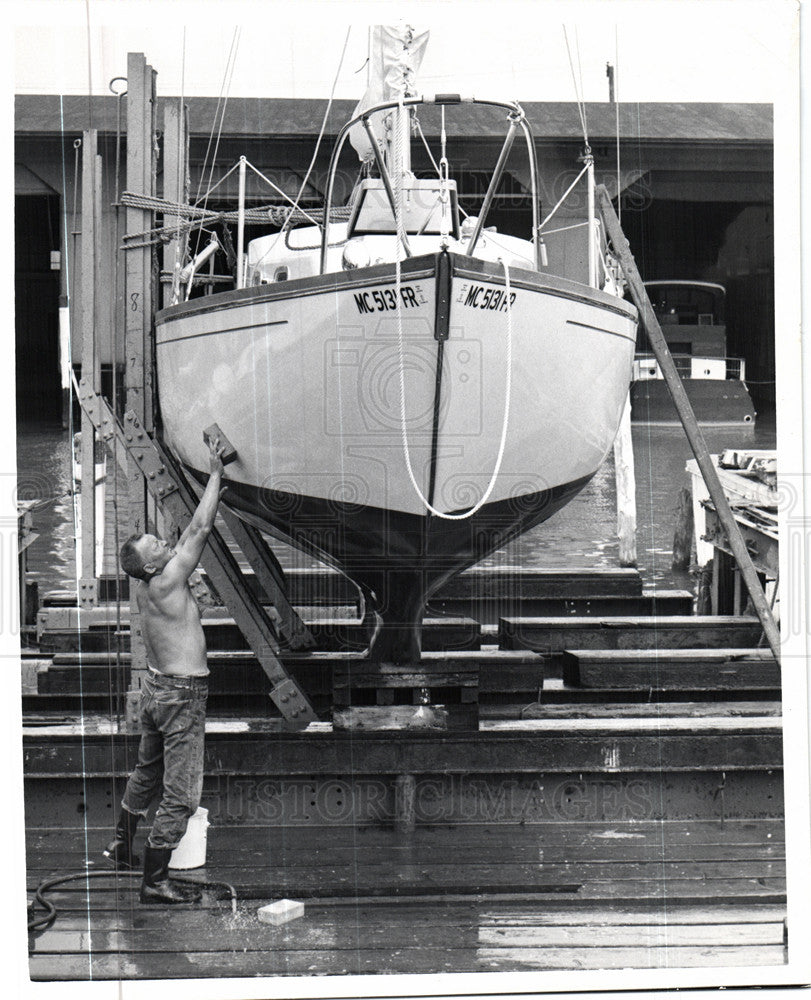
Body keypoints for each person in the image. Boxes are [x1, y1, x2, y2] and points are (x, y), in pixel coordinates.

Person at [102, 434, 226, 904]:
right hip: (180, 695)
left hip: (156, 688)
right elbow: (198, 531)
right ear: (153, 565)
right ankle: (154, 880)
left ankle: (120, 844)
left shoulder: (147, 585)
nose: (163, 540)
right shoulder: (168, 576)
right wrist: (215, 473)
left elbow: (180, 544)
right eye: (157, 543)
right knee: (182, 795)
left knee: (146, 772)